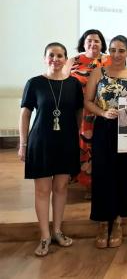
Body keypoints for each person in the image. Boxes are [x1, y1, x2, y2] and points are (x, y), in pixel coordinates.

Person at [19, 42, 83, 256]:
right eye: (51, 55)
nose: (55, 59)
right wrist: (22, 144)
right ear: (44, 58)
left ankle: (57, 231)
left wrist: (77, 137)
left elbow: (79, 114)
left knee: (62, 188)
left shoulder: (73, 84)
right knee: (43, 190)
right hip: (41, 142)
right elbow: (25, 114)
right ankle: (44, 236)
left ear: (66, 59)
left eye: (60, 55)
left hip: (66, 142)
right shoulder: (35, 83)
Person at [84, 35, 127, 248]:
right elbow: (88, 102)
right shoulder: (98, 73)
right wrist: (102, 112)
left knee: (126, 173)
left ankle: (118, 221)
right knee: (103, 173)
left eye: (121, 50)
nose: (117, 54)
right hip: (105, 129)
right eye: (113, 50)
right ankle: (102, 221)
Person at [66, 29, 111, 199]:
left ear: (102, 44)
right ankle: (80, 180)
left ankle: (96, 184)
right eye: (89, 40)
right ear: (83, 43)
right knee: (80, 146)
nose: (93, 44)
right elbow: (63, 84)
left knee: (99, 147)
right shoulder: (73, 61)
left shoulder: (109, 60)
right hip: (77, 112)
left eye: (97, 41)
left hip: (102, 111)